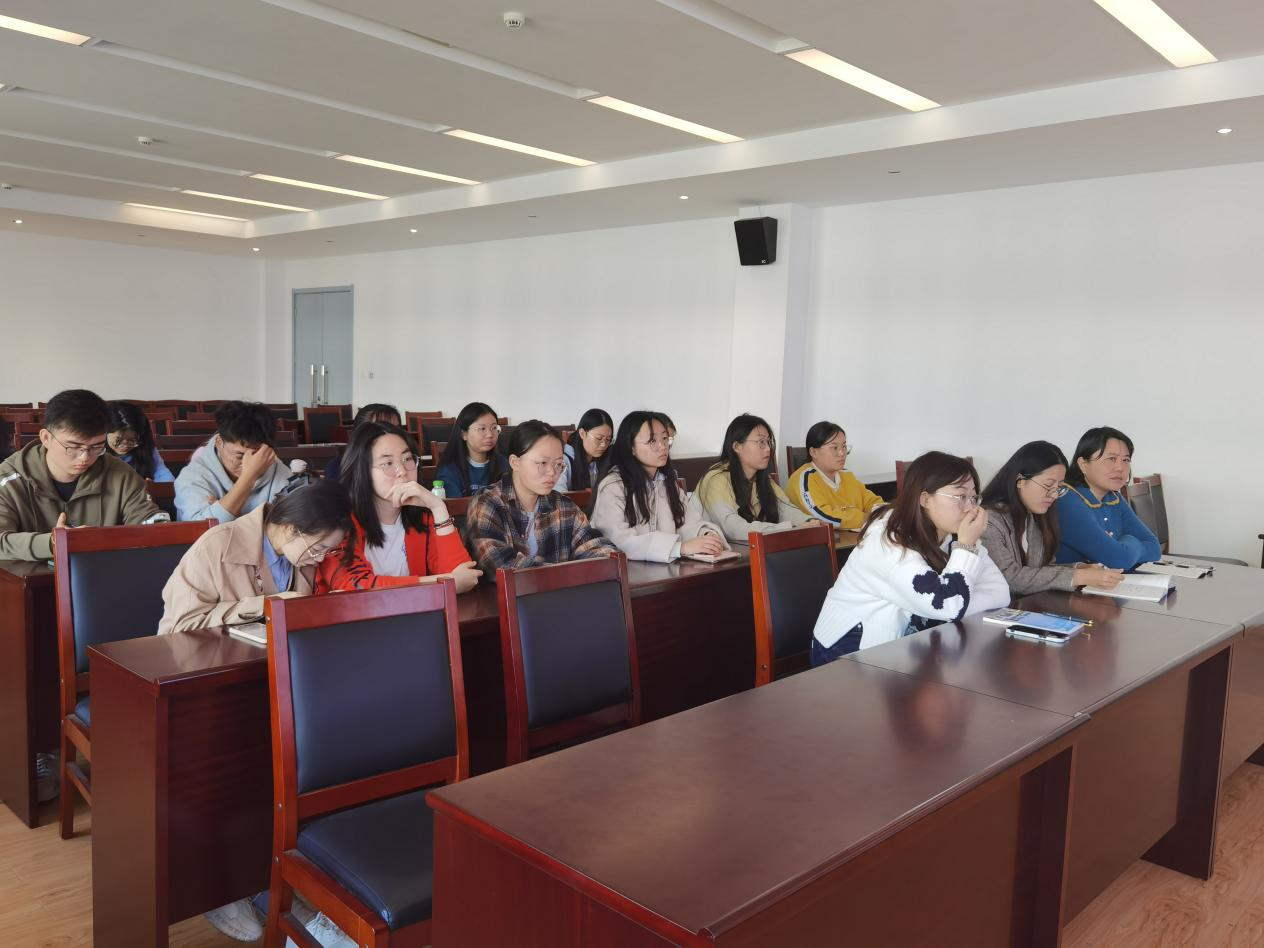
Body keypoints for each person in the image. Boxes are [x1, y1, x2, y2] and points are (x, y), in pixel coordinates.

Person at [811, 451, 1010, 663]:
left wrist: (957, 603)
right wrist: (966, 550)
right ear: (925, 499)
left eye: (973, 497)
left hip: (905, 646)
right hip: (850, 649)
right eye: (960, 497)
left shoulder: (953, 534)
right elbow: (948, 605)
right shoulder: (888, 541)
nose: (970, 508)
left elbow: (999, 592)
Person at [159, 478, 351, 634]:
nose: (320, 558)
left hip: (269, 660)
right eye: (318, 548)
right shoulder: (216, 545)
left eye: (328, 551)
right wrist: (266, 605)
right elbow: (182, 626)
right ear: (289, 528)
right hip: (208, 661)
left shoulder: (302, 556)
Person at [0, 389, 166, 561]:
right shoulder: (8, 478)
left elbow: (150, 522)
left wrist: (160, 527)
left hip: (104, 573)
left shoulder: (121, 474)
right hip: (26, 576)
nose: (85, 457)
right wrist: (53, 543)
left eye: (96, 447)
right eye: (73, 447)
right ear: (46, 438)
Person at [317, 422, 480, 593]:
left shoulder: (424, 517)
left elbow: (463, 576)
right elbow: (354, 586)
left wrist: (438, 507)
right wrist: (444, 583)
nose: (402, 471)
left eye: (407, 459)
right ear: (362, 470)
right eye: (388, 463)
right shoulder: (338, 522)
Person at [464, 419, 617, 575]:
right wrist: (564, 573)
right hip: (512, 592)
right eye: (543, 463)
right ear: (515, 462)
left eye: (558, 464)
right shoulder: (487, 503)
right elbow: (498, 564)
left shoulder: (563, 506)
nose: (552, 472)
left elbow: (601, 549)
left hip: (561, 589)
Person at [981, 441, 1125, 594]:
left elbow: (1041, 570)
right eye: (1048, 485)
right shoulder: (989, 521)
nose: (1055, 495)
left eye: (1059, 487)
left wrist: (1080, 568)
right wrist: (1078, 576)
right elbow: (1009, 579)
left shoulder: (1033, 516)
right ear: (1020, 481)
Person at [590, 411, 728, 562]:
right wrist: (679, 548)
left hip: (667, 570)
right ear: (631, 447)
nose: (662, 446)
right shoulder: (613, 486)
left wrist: (706, 535)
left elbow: (688, 522)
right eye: (652, 441)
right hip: (626, 572)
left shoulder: (667, 483)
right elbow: (618, 541)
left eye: (665, 438)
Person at [695, 414, 813, 543]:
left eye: (768, 442)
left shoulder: (762, 478)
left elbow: (784, 508)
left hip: (747, 548)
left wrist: (809, 521)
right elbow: (733, 528)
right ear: (737, 446)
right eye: (761, 442)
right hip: (714, 550)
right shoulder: (716, 479)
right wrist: (790, 528)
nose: (768, 449)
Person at [1055, 426, 1161, 570]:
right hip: (1068, 583)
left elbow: (1154, 548)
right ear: (1083, 464)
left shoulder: (1113, 497)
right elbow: (1119, 559)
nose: (1120, 467)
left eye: (1126, 460)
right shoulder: (1067, 501)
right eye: (1111, 459)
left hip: (1108, 581)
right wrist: (1129, 541)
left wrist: (1122, 543)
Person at [175, 401, 292, 523]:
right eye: (240, 455)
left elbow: (294, 525)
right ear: (219, 442)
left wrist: (223, 512)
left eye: (256, 456)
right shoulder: (192, 476)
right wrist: (249, 477)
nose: (248, 464)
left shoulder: (280, 472)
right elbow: (199, 528)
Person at [788, 421, 883, 530]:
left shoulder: (847, 475)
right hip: (821, 539)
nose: (842, 453)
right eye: (834, 448)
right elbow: (822, 516)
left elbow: (873, 502)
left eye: (844, 446)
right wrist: (866, 518)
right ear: (814, 452)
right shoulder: (803, 479)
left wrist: (882, 513)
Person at [435, 402, 508, 498]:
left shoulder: (503, 463)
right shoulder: (449, 471)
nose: (490, 434)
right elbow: (456, 506)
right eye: (482, 428)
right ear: (464, 434)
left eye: (494, 428)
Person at [322, 403, 400, 480]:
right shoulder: (337, 468)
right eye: (381, 429)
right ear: (360, 433)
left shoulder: (403, 463)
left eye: (396, 429)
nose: (393, 435)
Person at [104, 401, 174, 483]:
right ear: (104, 433)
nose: (125, 445)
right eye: (118, 440)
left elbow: (163, 475)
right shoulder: (95, 452)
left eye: (132, 440)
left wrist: (155, 486)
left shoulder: (147, 450)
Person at [557, 408, 613, 492]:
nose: (604, 444)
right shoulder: (563, 460)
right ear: (582, 433)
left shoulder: (604, 459)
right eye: (599, 438)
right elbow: (558, 495)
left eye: (608, 439)